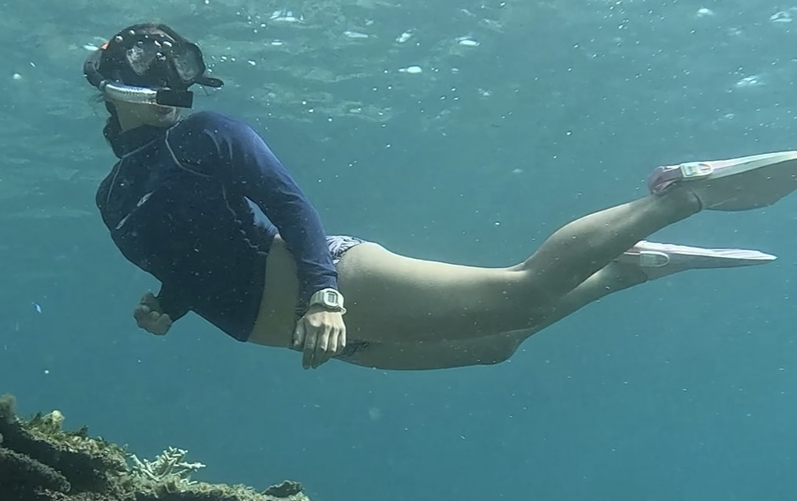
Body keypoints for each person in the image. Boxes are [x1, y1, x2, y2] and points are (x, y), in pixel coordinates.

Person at [86, 23, 797, 371]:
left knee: (520, 294)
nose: (174, 90)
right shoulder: (111, 195)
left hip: (324, 292)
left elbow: (287, 204)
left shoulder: (206, 134)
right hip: (305, 332)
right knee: (497, 344)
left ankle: (685, 193)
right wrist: (169, 305)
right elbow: (193, 250)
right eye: (158, 71)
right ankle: (632, 266)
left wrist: (323, 293)